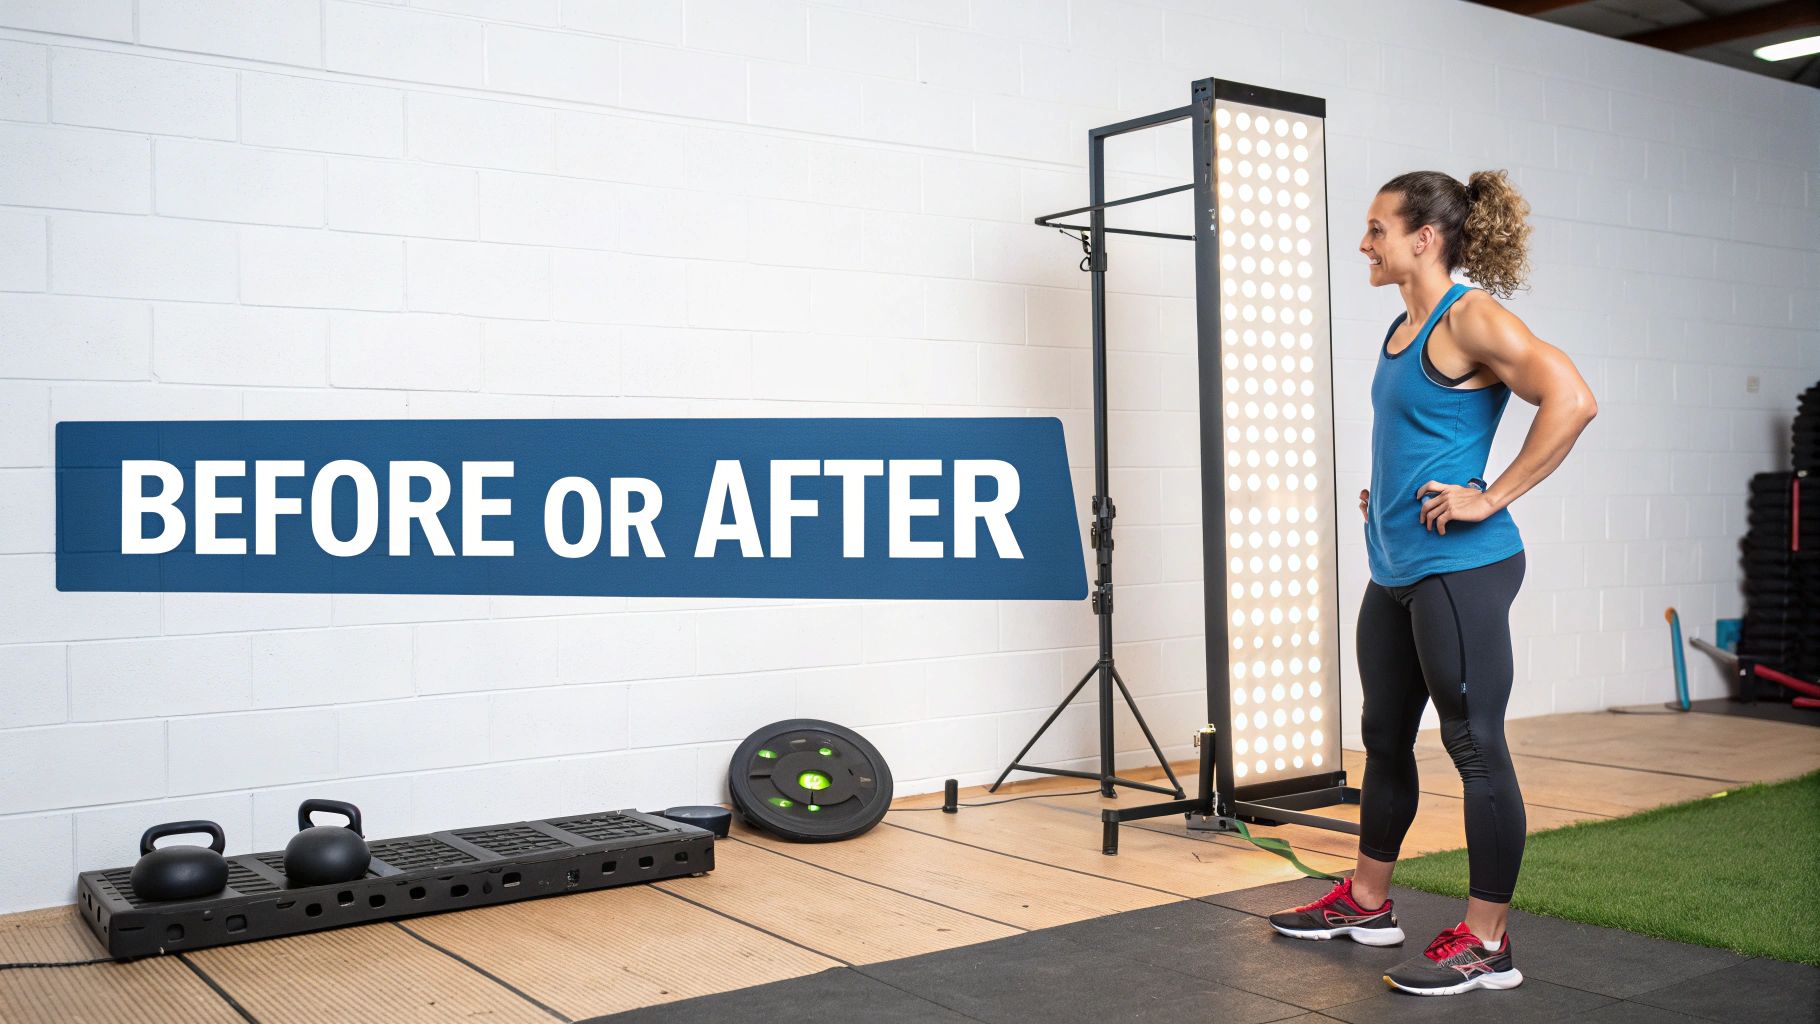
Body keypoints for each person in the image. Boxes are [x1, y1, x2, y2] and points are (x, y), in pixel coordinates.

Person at [1266, 169, 1598, 996]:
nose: (1364, 243)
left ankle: (1488, 941)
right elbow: (1420, 429)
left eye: (1377, 229)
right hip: (1398, 568)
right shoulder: (1403, 323)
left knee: (1474, 746)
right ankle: (1369, 903)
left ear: (1425, 237)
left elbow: (1572, 398)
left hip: (1462, 570)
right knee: (1384, 736)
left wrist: (1489, 495)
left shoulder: (1470, 316)